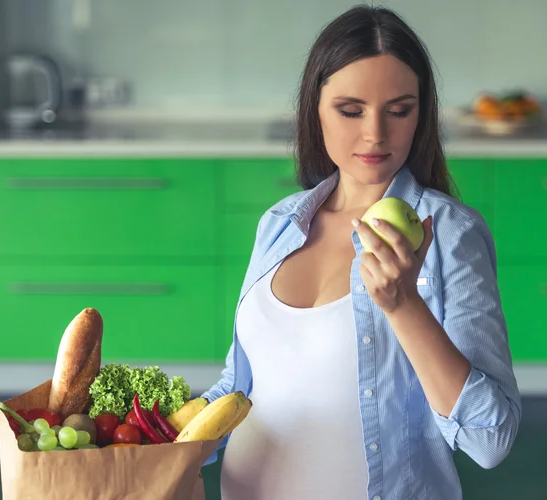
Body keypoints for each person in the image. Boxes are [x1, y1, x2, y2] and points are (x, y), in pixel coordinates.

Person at [202, 5, 521, 500]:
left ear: (421, 113)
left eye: (399, 111)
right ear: (316, 109)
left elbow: (490, 439)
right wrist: (141, 446)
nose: (375, 133)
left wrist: (402, 305)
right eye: (351, 110)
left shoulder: (449, 235)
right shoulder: (280, 224)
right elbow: (240, 387)